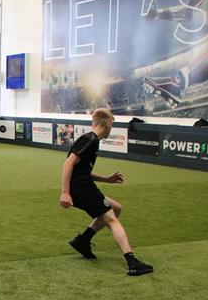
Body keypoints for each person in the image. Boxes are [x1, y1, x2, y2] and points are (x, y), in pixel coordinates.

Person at [60, 108, 153, 276]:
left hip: (83, 186)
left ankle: (83, 240)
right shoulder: (89, 139)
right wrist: (65, 192)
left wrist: (106, 179)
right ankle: (132, 262)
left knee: (116, 208)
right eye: (113, 124)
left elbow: (81, 171)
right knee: (111, 219)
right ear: (109, 123)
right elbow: (68, 164)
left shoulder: (93, 141)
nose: (112, 128)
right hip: (82, 189)